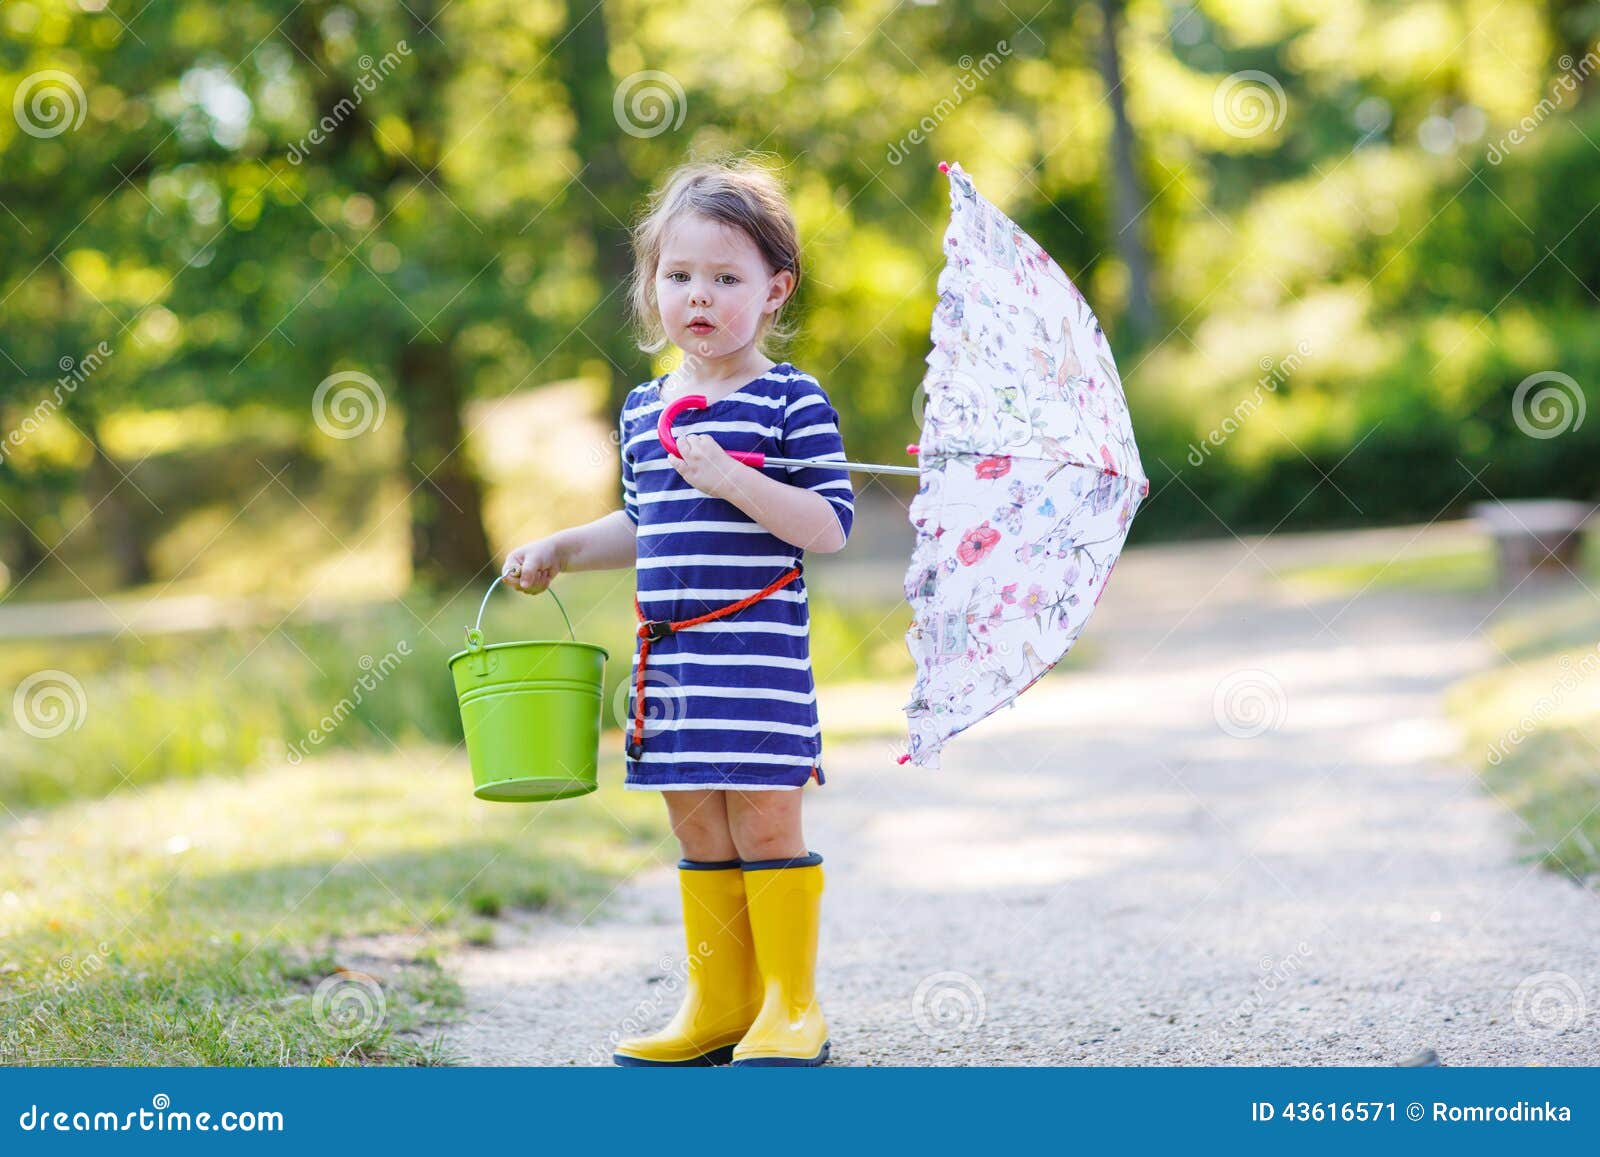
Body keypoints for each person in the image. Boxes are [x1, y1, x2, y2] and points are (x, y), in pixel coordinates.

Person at [502, 155, 853, 1067]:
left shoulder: (792, 400)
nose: (699, 296)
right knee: (697, 823)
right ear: (651, 284)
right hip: (675, 670)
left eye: (726, 278)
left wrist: (735, 476)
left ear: (776, 289)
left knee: (766, 821)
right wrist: (564, 548)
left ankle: (791, 1004)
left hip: (756, 663)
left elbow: (829, 525)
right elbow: (648, 522)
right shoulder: (643, 408)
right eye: (679, 275)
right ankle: (720, 1000)